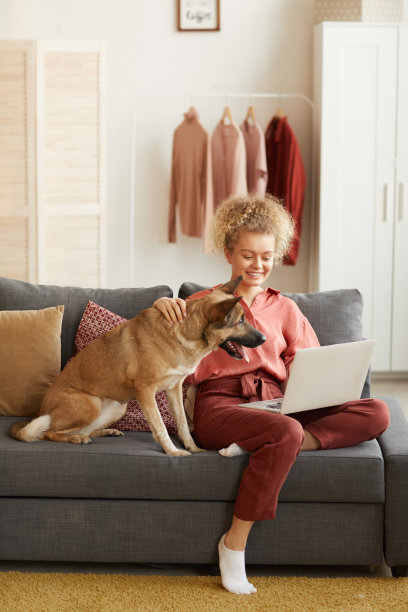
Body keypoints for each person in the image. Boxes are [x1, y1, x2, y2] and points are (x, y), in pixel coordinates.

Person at [153, 194, 390, 595]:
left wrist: (312, 389)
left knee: (377, 411)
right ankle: (234, 544)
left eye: (266, 256)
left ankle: (258, 446)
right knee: (286, 433)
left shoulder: (287, 310)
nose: (257, 266)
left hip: (278, 402)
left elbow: (309, 364)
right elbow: (160, 358)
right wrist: (160, 307)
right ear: (228, 251)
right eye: (247, 255)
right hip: (221, 406)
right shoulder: (199, 305)